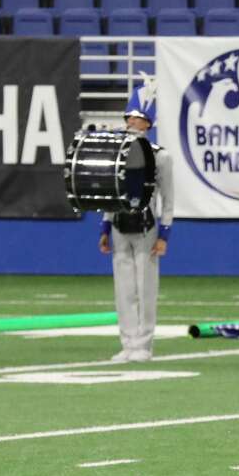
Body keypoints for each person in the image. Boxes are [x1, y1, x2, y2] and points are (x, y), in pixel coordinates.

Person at [99, 78, 173, 363]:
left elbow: (168, 199)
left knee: (145, 286)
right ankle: (127, 341)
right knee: (123, 288)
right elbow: (111, 191)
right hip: (119, 224)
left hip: (146, 225)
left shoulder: (160, 157)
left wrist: (165, 236)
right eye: (130, 115)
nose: (132, 121)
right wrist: (105, 227)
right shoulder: (115, 152)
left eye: (139, 117)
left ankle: (144, 343)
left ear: (149, 124)